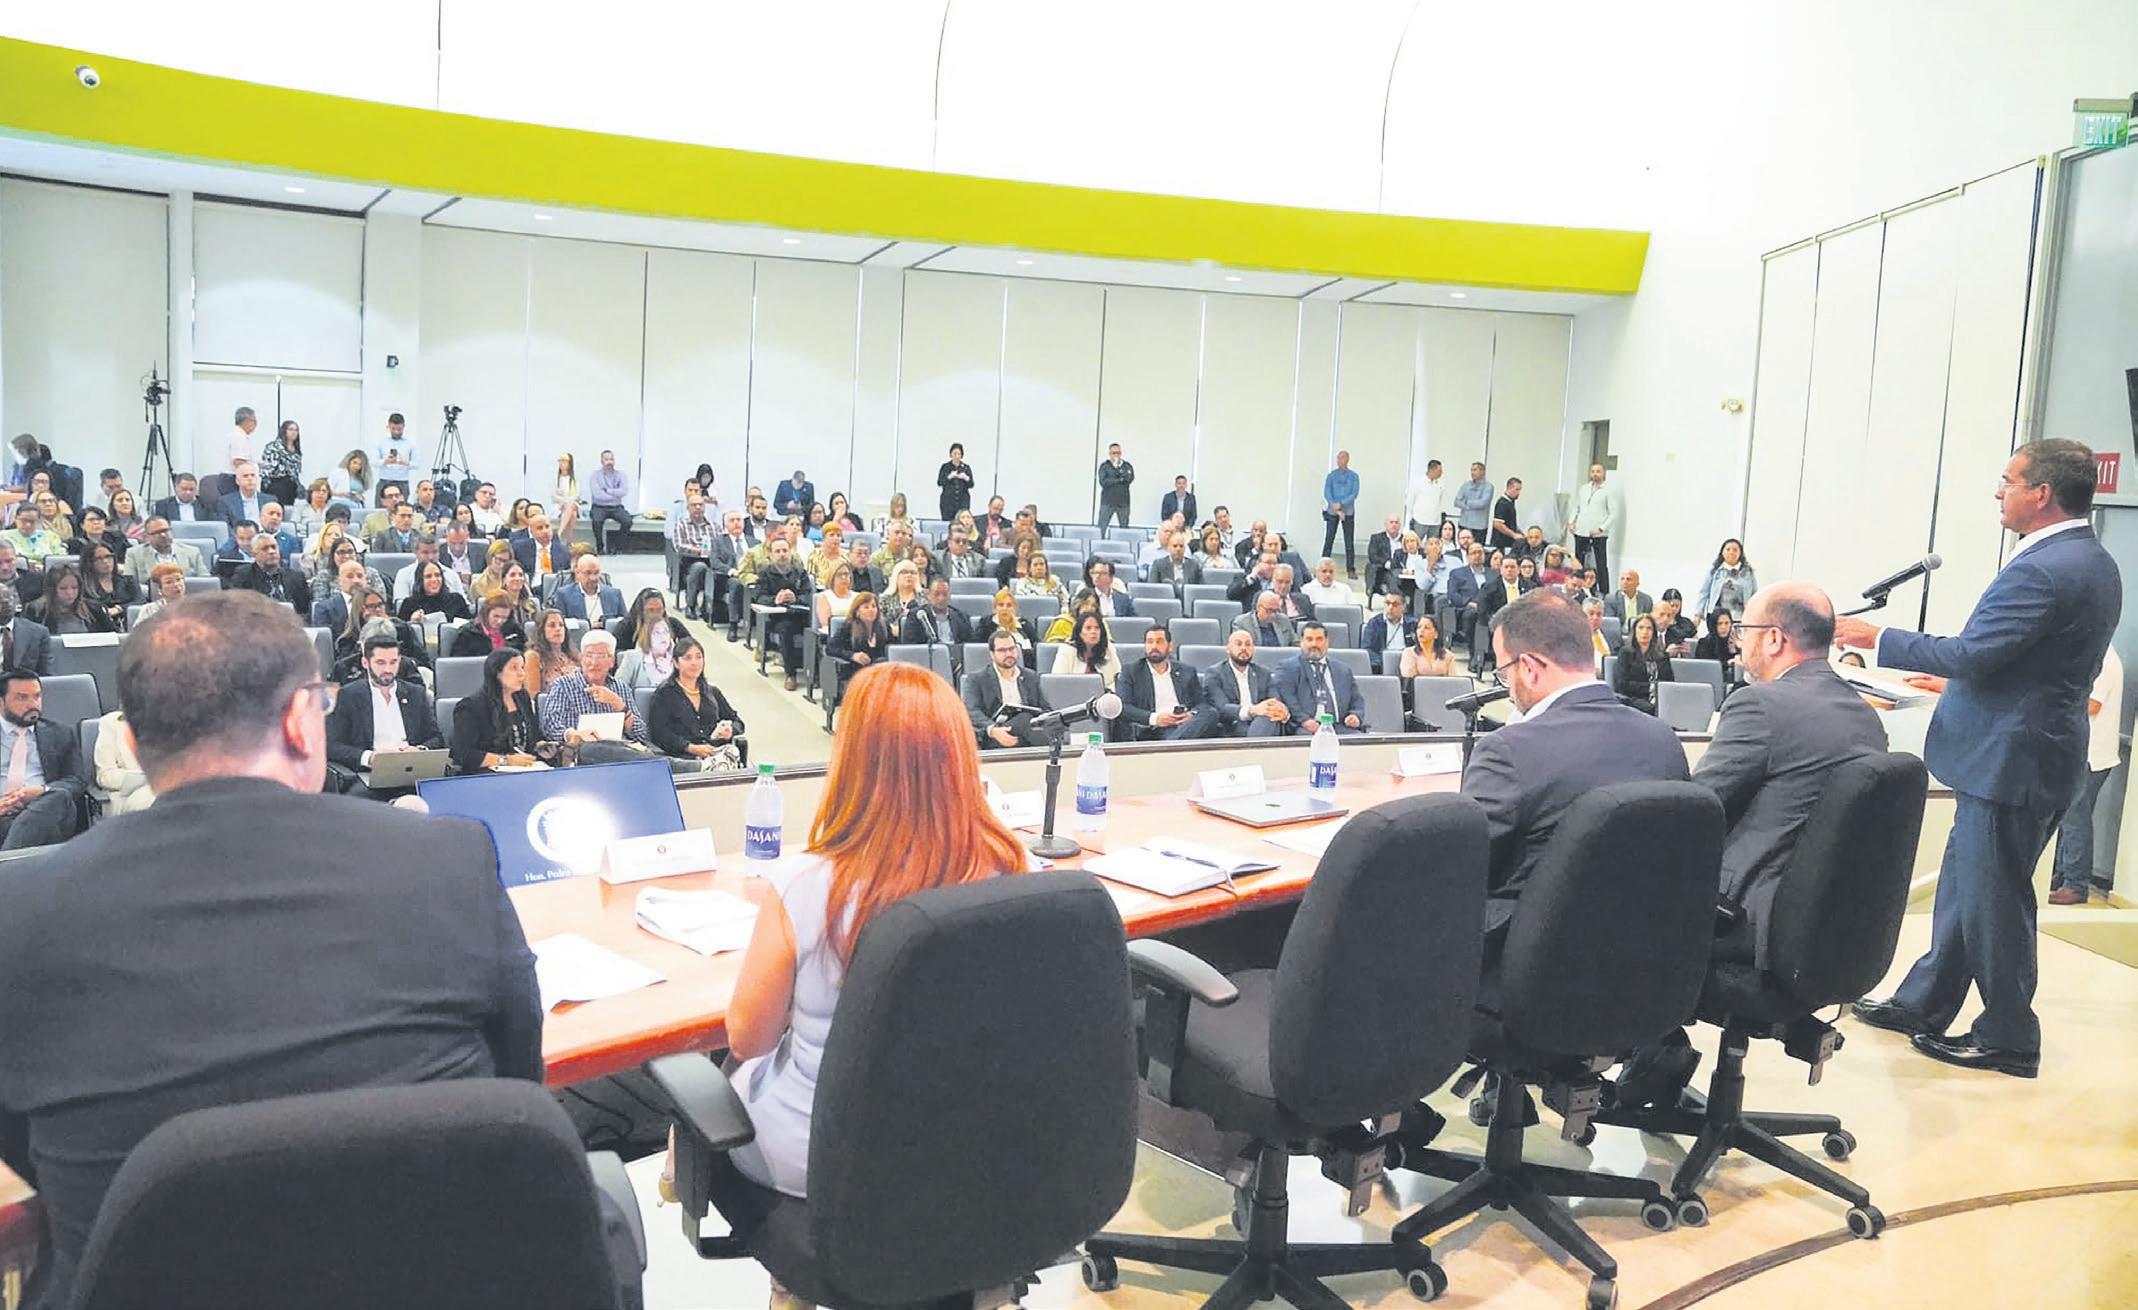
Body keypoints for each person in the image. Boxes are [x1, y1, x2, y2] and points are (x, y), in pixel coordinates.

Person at [0, 591, 539, 1307]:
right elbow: (517, 1088)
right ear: (297, 720)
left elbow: (27, 1142)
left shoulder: (20, 912)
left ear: (132, 740)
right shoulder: (451, 858)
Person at [1837, 440, 2120, 1077]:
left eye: (2008, 480)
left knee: (1995, 902)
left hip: (2012, 761)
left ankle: (2009, 1037)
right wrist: (1957, 685)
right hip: (2018, 752)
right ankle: (1924, 1003)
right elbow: (2029, 663)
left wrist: (1878, 637)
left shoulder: (2045, 568)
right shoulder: (2089, 558)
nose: (1999, 491)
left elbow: (1974, 653)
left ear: (2041, 494)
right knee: (1968, 890)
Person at [1612, 584, 1890, 1111]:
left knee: (1609, 890)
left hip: (1747, 924)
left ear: (1776, 639)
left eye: (1745, 631)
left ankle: (1649, 1047)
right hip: (1829, 929)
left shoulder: (1760, 705)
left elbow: (1693, 810)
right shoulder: (1865, 717)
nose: (1738, 641)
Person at [1464, 591, 1689, 945]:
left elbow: (1461, 869)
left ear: (1529, 667)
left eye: (1504, 671)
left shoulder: (1506, 752)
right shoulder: (1663, 740)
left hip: (1533, 957)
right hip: (1652, 949)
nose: (1507, 688)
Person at [2048, 645, 2125, 905]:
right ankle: (2062, 875)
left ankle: (2075, 884)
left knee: (2075, 821)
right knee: (2067, 819)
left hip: (2091, 756)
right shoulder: (2097, 654)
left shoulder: (2105, 660)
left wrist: (2052, 704)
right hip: (2087, 754)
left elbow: (2092, 705)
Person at [324, 633, 444, 799]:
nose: (388, 669)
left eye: (393, 662)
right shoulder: (347, 696)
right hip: (370, 775)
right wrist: (370, 757)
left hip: (413, 772)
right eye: (381, 663)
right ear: (365, 663)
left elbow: (436, 738)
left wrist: (419, 750)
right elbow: (332, 746)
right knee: (360, 798)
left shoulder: (416, 693)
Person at [0, 668, 86, 849]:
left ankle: (8, 861)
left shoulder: (60, 733)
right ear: (1, 702)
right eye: (22, 698)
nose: (32, 704)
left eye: (37, 696)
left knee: (59, 796)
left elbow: (76, 781)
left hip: (45, 811)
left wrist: (40, 791)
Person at [450, 646, 558, 773]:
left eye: (522, 667)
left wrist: (542, 746)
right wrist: (506, 760)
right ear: (497, 672)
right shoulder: (470, 706)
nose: (522, 674)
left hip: (524, 770)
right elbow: (464, 754)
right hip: (485, 775)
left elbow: (534, 736)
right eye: (514, 668)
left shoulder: (522, 697)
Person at [540, 629, 650, 750]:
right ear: (581, 658)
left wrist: (618, 704)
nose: (594, 662)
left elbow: (641, 734)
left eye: (601, 656)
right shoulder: (563, 685)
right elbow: (550, 726)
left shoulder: (621, 687)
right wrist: (574, 735)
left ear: (612, 661)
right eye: (589, 655)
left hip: (617, 752)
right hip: (580, 752)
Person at [648, 637, 745, 771]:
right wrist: (690, 747)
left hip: (715, 752)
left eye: (698, 657)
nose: (694, 663)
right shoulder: (664, 694)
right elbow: (660, 734)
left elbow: (738, 722)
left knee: (732, 753)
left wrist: (730, 730)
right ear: (676, 663)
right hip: (683, 759)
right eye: (687, 658)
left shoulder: (712, 692)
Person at [1113, 622, 1221, 742]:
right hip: (1154, 728)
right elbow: (1123, 707)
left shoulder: (1187, 671)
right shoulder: (1131, 671)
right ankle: (1173, 744)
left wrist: (1191, 714)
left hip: (1184, 725)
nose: (1154, 646)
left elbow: (1201, 703)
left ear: (1170, 646)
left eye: (1159, 641)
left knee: (1211, 713)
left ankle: (1170, 745)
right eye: (1150, 642)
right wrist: (1156, 718)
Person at [963, 629, 1050, 749]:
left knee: (1030, 720)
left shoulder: (1030, 677)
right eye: (1002, 650)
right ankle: (1054, 751)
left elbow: (1045, 709)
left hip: (1026, 734)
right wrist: (993, 730)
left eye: (1012, 649)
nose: (1008, 654)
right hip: (993, 736)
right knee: (1025, 719)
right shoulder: (976, 679)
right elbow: (971, 711)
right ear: (992, 654)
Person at [1275, 621, 1365, 734]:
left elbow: (1357, 701)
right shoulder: (1288, 668)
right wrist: (1304, 720)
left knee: (1360, 739)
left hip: (1338, 726)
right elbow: (1288, 699)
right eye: (1309, 639)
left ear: (1326, 642)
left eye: (1319, 639)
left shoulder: (1343, 670)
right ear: (1301, 642)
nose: (1314, 644)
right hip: (1303, 727)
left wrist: (1355, 715)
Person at [1202, 629, 1291, 737]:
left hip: (1262, 722)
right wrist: (1252, 710)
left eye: (1248, 644)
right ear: (1228, 648)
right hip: (1233, 725)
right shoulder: (1215, 673)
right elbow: (1222, 708)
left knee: (1269, 718)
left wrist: (1282, 711)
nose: (1243, 648)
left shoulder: (1263, 673)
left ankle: (1253, 745)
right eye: (1238, 644)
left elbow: (1274, 701)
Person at [754, 537, 813, 691]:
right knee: (785, 630)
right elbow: (759, 597)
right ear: (771, 555)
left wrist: (796, 598)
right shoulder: (765, 573)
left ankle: (815, 672)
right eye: (777, 551)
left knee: (814, 630)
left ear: (790, 552)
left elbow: (809, 596)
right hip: (777, 618)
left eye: (785, 551)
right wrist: (776, 599)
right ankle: (790, 674)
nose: (782, 554)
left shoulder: (800, 572)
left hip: (800, 615)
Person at [91, 708, 154, 815]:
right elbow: (105, 776)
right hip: (127, 793)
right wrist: (144, 777)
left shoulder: (172, 720)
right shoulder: (112, 723)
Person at [616, 594, 682, 695]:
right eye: (656, 632)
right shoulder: (632, 658)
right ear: (647, 636)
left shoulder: (680, 659)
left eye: (666, 632)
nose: (662, 636)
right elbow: (617, 690)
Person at [1567, 462, 1621, 578]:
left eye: (1598, 471)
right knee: (1579, 563)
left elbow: (1613, 513)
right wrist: (1571, 522)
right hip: (1581, 531)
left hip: (1598, 534)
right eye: (1593, 471)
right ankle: (1579, 585)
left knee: (1600, 564)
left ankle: (1603, 588)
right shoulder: (1583, 489)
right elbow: (1576, 507)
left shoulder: (1609, 490)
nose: (1595, 474)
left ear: (1603, 473)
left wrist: (1601, 528)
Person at [1473, 556, 1525, 674]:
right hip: (1499, 624)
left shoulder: (1529, 587)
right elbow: (1483, 612)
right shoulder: (1489, 587)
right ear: (1501, 569)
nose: (1509, 570)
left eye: (1512, 567)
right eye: (1506, 567)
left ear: (1518, 569)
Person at [30, 563, 114, 636]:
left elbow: (114, 637)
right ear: (52, 589)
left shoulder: (94, 609)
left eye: (74, 587)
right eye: (63, 588)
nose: (69, 593)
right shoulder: (37, 612)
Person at [1613, 613, 1673, 713]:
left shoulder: (1662, 656)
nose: (1645, 632)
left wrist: (1658, 695)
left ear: (1653, 632)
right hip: (1633, 699)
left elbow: (1669, 682)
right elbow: (1622, 684)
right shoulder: (1625, 653)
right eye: (1641, 628)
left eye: (1649, 628)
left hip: (1659, 699)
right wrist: (1652, 688)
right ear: (1634, 631)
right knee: (1651, 709)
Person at [1694, 538, 1759, 621]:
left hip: (1741, 618)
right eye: (1728, 549)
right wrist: (1698, 614)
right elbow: (1703, 593)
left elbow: (1755, 595)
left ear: (1740, 553)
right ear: (1722, 552)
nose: (1731, 552)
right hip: (1717, 618)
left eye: (1735, 550)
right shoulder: (1714, 571)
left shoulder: (1748, 573)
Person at [1053, 611, 1122, 689]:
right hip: (1072, 693)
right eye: (1088, 628)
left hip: (1105, 694)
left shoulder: (1108, 648)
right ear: (1080, 633)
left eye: (1097, 628)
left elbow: (1119, 678)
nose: (1093, 632)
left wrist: (1109, 692)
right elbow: (1057, 680)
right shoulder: (1067, 649)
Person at [554, 552, 623, 627]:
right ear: (577, 573)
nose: (593, 578)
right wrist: (586, 625)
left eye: (596, 573)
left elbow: (625, 623)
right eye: (588, 573)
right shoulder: (564, 595)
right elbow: (559, 623)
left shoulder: (615, 594)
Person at [77, 544, 136, 630]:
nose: (105, 561)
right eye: (99, 558)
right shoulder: (83, 585)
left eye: (108, 556)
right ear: (89, 562)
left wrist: (119, 608)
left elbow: (140, 600)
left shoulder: (128, 579)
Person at [1320, 449, 1360, 575]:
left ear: (1347, 459)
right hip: (1332, 512)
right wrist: (1335, 506)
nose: (1340, 460)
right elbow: (1327, 492)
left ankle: (1350, 569)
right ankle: (1322, 566)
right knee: (1329, 540)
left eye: (1343, 458)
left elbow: (1354, 494)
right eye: (1338, 458)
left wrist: (1341, 504)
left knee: (1349, 541)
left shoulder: (1354, 476)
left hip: (1348, 512)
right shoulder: (1331, 476)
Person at [585, 449, 633, 553]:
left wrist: (608, 491)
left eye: (611, 459)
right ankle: (600, 547)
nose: (609, 462)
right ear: (602, 461)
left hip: (616, 507)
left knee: (627, 521)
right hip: (599, 506)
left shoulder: (621, 475)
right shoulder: (595, 476)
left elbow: (624, 491)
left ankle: (617, 547)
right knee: (597, 521)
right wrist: (615, 495)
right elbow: (597, 495)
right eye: (606, 459)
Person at [522, 608, 578, 696]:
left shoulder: (572, 655)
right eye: (552, 625)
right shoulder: (533, 657)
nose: (558, 629)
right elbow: (533, 694)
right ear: (542, 630)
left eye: (561, 625)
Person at [397, 560, 470, 624]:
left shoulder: (456, 600)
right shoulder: (409, 604)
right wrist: (411, 622)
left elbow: (468, 628)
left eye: (437, 575)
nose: (434, 579)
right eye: (428, 576)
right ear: (420, 580)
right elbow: (400, 631)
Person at [981, 590, 1040, 668]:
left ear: (1014, 609)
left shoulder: (1024, 625)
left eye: (1009, 605)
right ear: (995, 608)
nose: (1004, 608)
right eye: (1001, 605)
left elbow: (1037, 647)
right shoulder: (986, 625)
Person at [451, 593, 524, 656]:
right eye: (496, 616)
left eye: (504, 617)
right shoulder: (467, 633)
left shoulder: (514, 631)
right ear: (486, 613)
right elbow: (459, 662)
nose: (499, 621)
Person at [1362, 590, 1419, 667]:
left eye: (1395, 604)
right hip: (1381, 664)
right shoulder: (1374, 624)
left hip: (1408, 663)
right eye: (1387, 603)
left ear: (1404, 607)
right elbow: (1366, 649)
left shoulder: (1412, 624)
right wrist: (1383, 662)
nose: (1390, 607)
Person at [258, 419, 304, 508]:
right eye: (291, 429)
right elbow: (266, 469)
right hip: (275, 484)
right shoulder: (273, 447)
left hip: (291, 486)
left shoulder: (296, 450)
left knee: (288, 509)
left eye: (296, 430)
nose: (294, 432)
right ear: (284, 431)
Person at [1231, 589, 1297, 649]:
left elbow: (1295, 643)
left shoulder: (1283, 620)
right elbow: (1239, 649)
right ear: (1258, 608)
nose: (1273, 615)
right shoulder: (1242, 623)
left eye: (1276, 611)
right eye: (1269, 610)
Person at [150, 472, 218, 525]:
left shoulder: (205, 504)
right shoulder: (163, 505)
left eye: (192, 489)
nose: (188, 493)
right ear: (176, 488)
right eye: (184, 489)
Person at [216, 460, 270, 527]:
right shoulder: (225, 502)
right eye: (245, 476)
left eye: (252, 475)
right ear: (237, 481)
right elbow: (225, 527)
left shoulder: (269, 500)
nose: (250, 478)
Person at [1096, 442, 1135, 530]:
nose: (1116, 455)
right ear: (1109, 454)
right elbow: (1103, 482)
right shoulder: (1105, 466)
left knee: (1124, 526)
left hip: (1123, 501)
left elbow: (1129, 478)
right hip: (1107, 501)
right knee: (1102, 526)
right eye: (1114, 453)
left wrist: (1115, 477)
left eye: (1118, 453)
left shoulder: (1127, 466)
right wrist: (1120, 479)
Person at [1407, 458, 1448, 537]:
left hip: (1435, 522)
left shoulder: (1441, 484)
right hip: (1420, 520)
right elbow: (1410, 501)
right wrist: (1414, 515)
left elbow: (1440, 502)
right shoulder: (1417, 483)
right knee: (1416, 541)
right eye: (1439, 471)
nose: (1441, 473)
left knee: (1433, 543)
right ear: (1432, 470)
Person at [1453, 461, 1494, 539]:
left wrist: (1467, 502)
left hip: (1479, 527)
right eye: (1471, 470)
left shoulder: (1488, 486)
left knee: (1477, 546)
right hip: (1464, 524)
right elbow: (1457, 502)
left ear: (1482, 471)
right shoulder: (1466, 485)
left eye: (1474, 470)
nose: (1472, 473)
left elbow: (1483, 503)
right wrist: (1470, 505)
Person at [934, 443, 975, 520]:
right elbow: (939, 482)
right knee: (947, 522)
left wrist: (966, 478)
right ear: (951, 454)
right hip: (947, 502)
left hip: (962, 502)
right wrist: (949, 477)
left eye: (959, 454)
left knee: (962, 521)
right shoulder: (945, 467)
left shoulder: (966, 467)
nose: (957, 456)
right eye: (955, 453)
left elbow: (971, 484)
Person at [548, 454, 581, 541]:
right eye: (560, 462)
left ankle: (560, 532)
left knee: (571, 506)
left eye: (564, 462)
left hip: (572, 504)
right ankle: (569, 541)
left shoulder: (574, 479)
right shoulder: (556, 479)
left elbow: (576, 495)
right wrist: (563, 502)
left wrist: (567, 502)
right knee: (573, 514)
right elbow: (553, 496)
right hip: (559, 506)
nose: (562, 464)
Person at [1489, 476, 1525, 554]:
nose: (1519, 493)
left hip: (1508, 542)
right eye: (1517, 489)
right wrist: (1514, 535)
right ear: (1509, 488)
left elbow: (1510, 522)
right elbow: (1497, 524)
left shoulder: (1510, 503)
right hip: (1501, 543)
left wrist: (1520, 532)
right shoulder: (1502, 503)